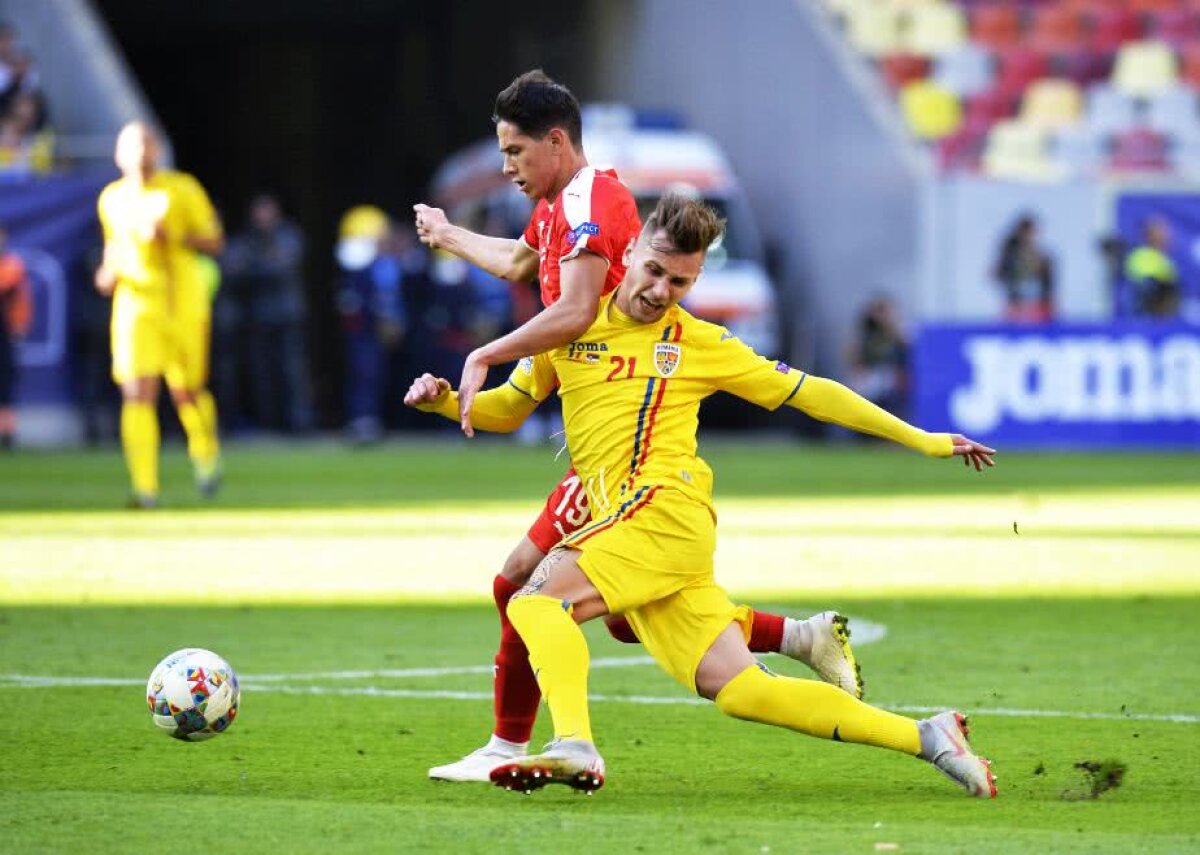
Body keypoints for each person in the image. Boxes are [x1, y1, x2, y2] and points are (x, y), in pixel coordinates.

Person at [406, 194, 998, 799]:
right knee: (742, 691)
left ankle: (574, 745)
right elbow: (508, 408)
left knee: (536, 603)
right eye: (655, 271)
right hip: (650, 533)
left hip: (662, 510)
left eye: (680, 282)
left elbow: (811, 392)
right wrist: (446, 402)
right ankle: (928, 736)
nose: (661, 291)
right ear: (629, 252)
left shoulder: (697, 342)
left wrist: (921, 438)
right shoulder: (570, 323)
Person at [413, 71, 845, 782]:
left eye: (515, 151)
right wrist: (450, 234)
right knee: (589, 605)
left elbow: (578, 310)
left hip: (625, 438)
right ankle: (796, 635)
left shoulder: (594, 198)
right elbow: (520, 261)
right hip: (595, 424)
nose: (507, 166)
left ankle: (529, 743)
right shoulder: (556, 209)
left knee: (541, 593)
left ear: (556, 142)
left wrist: (486, 353)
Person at [94, 121, 224, 508]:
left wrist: (173, 237)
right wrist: (106, 274)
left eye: (145, 144)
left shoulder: (182, 188)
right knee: (137, 392)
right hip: (135, 306)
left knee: (187, 391)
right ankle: (145, 487)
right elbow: (113, 250)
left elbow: (215, 241)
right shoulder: (112, 199)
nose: (139, 152)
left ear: (158, 150)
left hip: (182, 302)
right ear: (118, 155)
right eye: (131, 145)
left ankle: (205, 455)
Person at [223, 192, 312, 432]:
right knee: (261, 373)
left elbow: (281, 267)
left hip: (287, 316)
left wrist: (254, 266)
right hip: (258, 317)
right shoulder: (247, 240)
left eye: (267, 210)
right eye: (259, 211)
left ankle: (299, 422)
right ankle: (268, 422)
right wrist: (260, 265)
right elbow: (233, 269)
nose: (263, 216)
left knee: (292, 371)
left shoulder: (289, 236)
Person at [0, 224, 31, 449]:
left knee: (5, 382)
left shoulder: (11, 266)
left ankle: (6, 432)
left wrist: (19, 326)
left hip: (4, 334)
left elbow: (19, 300)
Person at [993, 214, 1053, 324]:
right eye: (1026, 232)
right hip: (1015, 304)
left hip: (1038, 305)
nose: (1029, 236)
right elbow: (999, 274)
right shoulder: (1009, 254)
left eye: (1031, 233)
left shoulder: (1042, 257)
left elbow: (1048, 283)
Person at [1124, 216, 1180, 319]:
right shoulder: (1140, 255)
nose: (1165, 236)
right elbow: (1144, 285)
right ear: (1149, 236)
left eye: (1165, 233)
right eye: (1160, 232)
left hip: (1165, 314)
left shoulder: (1166, 260)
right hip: (1146, 312)